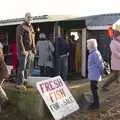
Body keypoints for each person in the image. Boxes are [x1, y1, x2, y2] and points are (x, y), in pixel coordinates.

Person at [16, 12, 36, 89]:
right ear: (25, 18)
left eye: (30, 17)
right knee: (22, 67)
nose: (29, 18)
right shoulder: (21, 26)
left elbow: (33, 39)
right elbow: (19, 39)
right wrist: (23, 50)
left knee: (28, 67)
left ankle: (25, 82)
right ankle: (19, 84)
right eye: (28, 17)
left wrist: (34, 49)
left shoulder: (31, 27)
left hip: (30, 51)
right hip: (23, 51)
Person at [102, 20, 120, 91]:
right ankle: (104, 86)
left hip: (118, 60)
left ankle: (117, 79)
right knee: (114, 75)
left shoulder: (118, 40)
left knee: (116, 74)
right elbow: (115, 53)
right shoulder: (113, 42)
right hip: (116, 61)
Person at [87, 39, 104, 109]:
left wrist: (102, 72)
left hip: (95, 75)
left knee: (94, 89)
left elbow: (100, 64)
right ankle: (95, 103)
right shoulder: (92, 52)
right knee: (93, 89)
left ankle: (96, 104)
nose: (87, 46)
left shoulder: (95, 53)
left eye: (88, 44)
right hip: (93, 74)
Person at [0, 42, 9, 112]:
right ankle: (4, 99)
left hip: (2, 73)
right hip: (3, 73)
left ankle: (4, 98)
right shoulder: (1, 55)